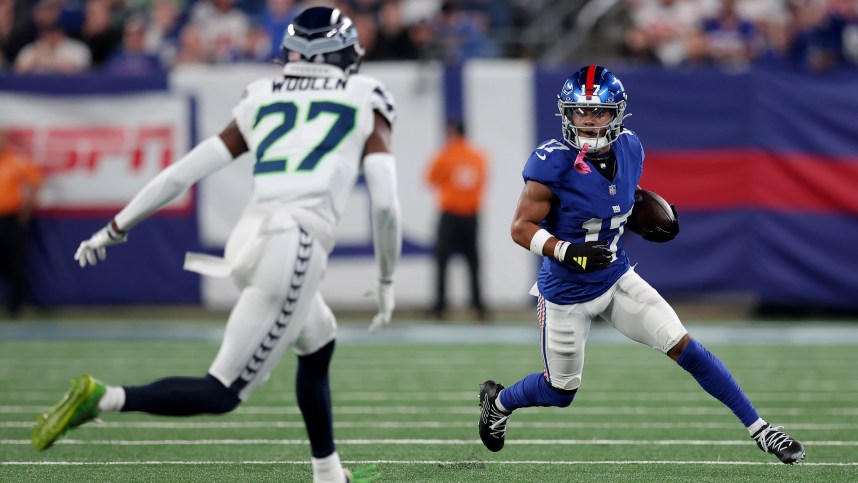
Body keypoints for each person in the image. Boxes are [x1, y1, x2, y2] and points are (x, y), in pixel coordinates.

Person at [32, 7, 401, 483]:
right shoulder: (364, 94)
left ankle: (328, 473)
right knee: (220, 392)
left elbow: (182, 173)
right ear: (346, 54)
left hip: (251, 239)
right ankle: (104, 397)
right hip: (295, 245)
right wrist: (387, 277)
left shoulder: (262, 94)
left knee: (318, 341)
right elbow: (387, 205)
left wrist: (115, 227)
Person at [477, 65, 805, 465]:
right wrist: (567, 251)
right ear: (567, 113)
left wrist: (647, 217)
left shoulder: (631, 147)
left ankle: (762, 430)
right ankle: (500, 402)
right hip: (565, 293)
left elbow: (619, 198)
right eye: (581, 111)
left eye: (599, 112)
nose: (589, 120)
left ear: (617, 114)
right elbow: (520, 228)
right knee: (560, 392)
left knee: (685, 346)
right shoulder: (550, 163)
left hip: (615, 279)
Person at [424, 121, 488, 321]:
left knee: (442, 261)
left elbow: (430, 179)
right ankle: (478, 307)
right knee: (473, 261)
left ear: (452, 133)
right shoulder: (478, 156)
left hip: (450, 214)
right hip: (471, 214)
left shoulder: (445, 154)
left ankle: (440, 307)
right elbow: (481, 182)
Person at [0, 130, 42, 318]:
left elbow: (34, 181)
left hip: (11, 217)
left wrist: (26, 209)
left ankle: (15, 306)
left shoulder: (16, 160)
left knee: (15, 260)